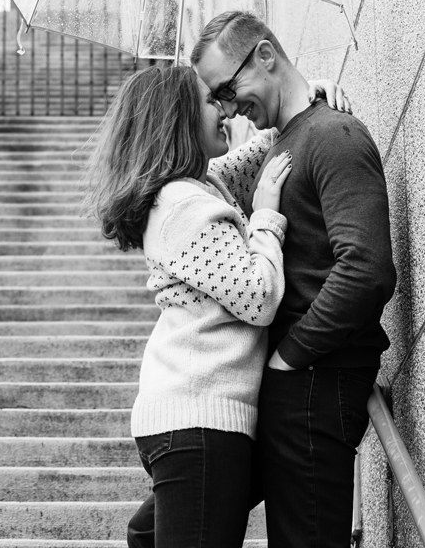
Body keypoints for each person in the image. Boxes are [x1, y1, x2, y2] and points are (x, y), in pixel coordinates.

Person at [192, 11, 397, 548]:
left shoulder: (336, 135)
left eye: (229, 90)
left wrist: (292, 355)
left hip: (316, 378)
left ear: (265, 55)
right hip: (288, 384)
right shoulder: (284, 143)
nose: (231, 109)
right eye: (219, 99)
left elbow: (367, 270)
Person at [87, 63, 294, 548]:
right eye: (209, 101)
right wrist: (266, 217)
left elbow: (246, 161)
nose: (224, 109)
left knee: (148, 533)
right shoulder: (182, 204)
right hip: (199, 421)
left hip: (193, 417)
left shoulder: (198, 186)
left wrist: (298, 101)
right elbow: (259, 296)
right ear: (177, 119)